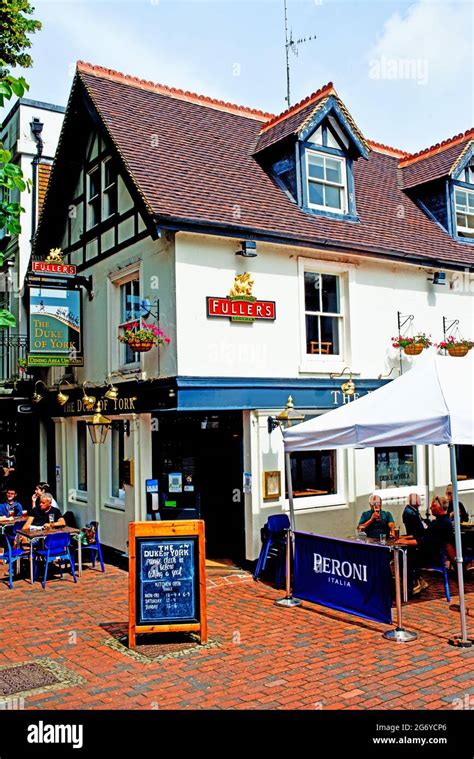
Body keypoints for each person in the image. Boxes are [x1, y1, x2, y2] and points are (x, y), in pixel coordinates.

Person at [397, 496, 456, 593]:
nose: (430, 508)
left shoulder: (441, 523)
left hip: (432, 556)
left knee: (405, 554)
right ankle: (415, 579)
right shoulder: (439, 521)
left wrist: (406, 542)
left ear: (439, 507)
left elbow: (425, 541)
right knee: (404, 553)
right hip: (430, 551)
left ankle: (414, 582)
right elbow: (424, 534)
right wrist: (406, 537)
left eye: (432, 506)